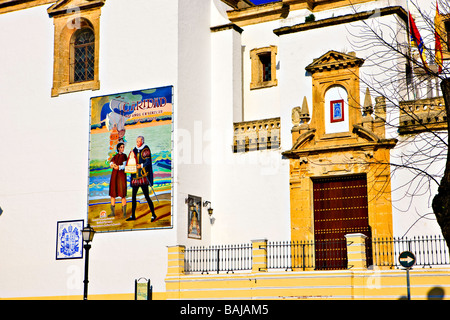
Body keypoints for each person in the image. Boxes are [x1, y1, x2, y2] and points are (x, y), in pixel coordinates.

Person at [126, 136, 157, 222]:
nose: (137, 143)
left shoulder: (146, 149)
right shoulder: (134, 150)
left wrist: (141, 165)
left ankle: (153, 214)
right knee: (133, 197)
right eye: (137, 141)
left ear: (142, 142)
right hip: (135, 177)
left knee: (147, 196)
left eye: (139, 141)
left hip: (143, 177)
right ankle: (133, 215)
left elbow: (148, 162)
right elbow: (131, 160)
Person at [109, 142, 128, 218]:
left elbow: (124, 165)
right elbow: (111, 163)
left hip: (121, 176)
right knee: (113, 193)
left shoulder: (124, 156)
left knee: (122, 193)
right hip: (114, 176)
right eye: (121, 147)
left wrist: (118, 167)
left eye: (123, 147)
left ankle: (124, 213)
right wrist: (113, 165)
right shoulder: (115, 156)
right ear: (118, 148)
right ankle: (112, 212)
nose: (122, 149)